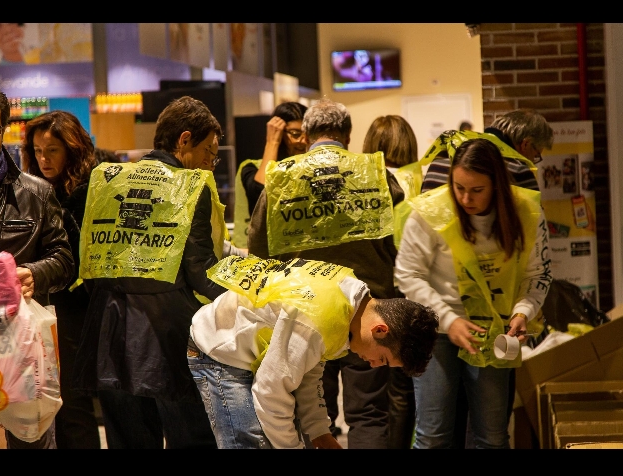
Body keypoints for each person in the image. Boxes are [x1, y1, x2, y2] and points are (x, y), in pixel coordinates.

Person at [247, 98, 406, 449]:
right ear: (348, 136)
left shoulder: (281, 177)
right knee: (368, 414)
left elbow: (257, 247)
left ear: (305, 133)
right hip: (367, 313)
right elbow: (399, 227)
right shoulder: (376, 173)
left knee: (313, 416)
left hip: (301, 313)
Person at [72, 96, 228, 449]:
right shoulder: (190, 187)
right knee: (190, 438)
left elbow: (89, 262)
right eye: (208, 150)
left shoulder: (106, 179)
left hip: (108, 332)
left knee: (127, 440)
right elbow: (199, 270)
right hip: (167, 335)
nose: (210, 162)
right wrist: (247, 292)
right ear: (184, 139)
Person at [395, 138, 553, 449]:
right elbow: (407, 274)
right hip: (436, 326)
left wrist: (523, 312)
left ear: (497, 185)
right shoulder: (431, 211)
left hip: (493, 327)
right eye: (458, 187)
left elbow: (539, 274)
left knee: (493, 436)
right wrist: (450, 320)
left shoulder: (527, 213)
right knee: (433, 435)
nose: (466, 198)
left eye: (477, 190)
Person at [188, 254, 439, 449]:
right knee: (253, 442)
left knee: (281, 433)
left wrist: (319, 430)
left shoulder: (350, 301)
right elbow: (270, 393)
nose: (374, 365)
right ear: (380, 330)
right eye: (383, 359)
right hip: (218, 349)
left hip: (244, 347)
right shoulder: (320, 319)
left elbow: (305, 371)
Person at [0, 83, 75, 449]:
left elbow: (65, 259)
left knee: (30, 438)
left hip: (20, 343)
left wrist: (35, 273)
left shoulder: (35, 192)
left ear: (3, 131)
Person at [20, 110, 101, 449]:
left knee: (73, 405)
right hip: (43, 312)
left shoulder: (86, 192)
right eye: (37, 151)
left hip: (76, 313)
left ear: (71, 149)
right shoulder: (34, 192)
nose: (43, 158)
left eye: (51, 150)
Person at [362, 114, 419, 449]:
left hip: (369, 295)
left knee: (368, 392)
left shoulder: (365, 183)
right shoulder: (420, 183)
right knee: (401, 388)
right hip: (408, 295)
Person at [421, 109, 553, 193]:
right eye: (536, 155)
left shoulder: (440, 159)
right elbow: (534, 227)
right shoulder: (517, 171)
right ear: (526, 144)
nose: (533, 162)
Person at [233, 101, 307, 249]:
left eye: (307, 134)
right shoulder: (250, 167)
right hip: (255, 255)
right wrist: (272, 142)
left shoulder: (308, 169)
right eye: (295, 134)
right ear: (279, 132)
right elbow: (261, 194)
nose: (303, 141)